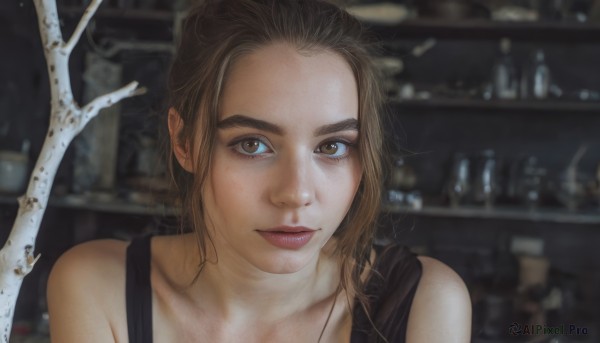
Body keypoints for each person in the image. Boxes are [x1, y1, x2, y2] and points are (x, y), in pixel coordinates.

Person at [46, 0, 472, 342]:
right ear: (184, 143)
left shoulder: (425, 304)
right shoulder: (99, 289)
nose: (295, 193)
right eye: (252, 144)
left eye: (333, 146)